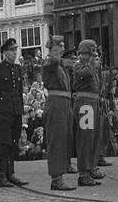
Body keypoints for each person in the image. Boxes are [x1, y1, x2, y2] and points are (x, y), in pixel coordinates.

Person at [0, 38, 28, 187]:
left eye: (16, 50)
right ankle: (1, 175)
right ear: (4, 53)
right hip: (2, 109)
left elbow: (19, 91)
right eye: (12, 50)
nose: (15, 53)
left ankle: (11, 173)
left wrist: (21, 111)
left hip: (15, 109)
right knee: (5, 142)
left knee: (13, 142)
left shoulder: (17, 69)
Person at [42, 38, 74, 190]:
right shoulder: (50, 62)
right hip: (56, 104)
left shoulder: (60, 66)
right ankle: (56, 178)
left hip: (64, 104)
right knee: (57, 141)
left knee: (64, 139)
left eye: (62, 46)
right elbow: (52, 63)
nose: (62, 49)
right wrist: (54, 53)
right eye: (59, 46)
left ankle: (60, 173)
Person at [71, 39, 104, 186]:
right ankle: (83, 172)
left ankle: (90, 167)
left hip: (92, 103)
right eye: (92, 52)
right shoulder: (79, 66)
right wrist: (92, 63)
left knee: (93, 137)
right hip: (85, 104)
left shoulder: (90, 66)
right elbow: (84, 74)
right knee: (86, 138)